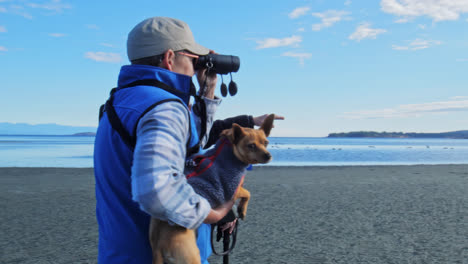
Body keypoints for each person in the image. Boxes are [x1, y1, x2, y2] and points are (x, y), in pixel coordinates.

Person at [93, 17, 235, 264]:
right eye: (193, 60)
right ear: (170, 58)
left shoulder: (120, 102)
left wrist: (207, 92)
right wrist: (212, 214)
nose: (196, 69)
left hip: (121, 252)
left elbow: (188, 149)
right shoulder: (164, 108)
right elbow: (157, 192)